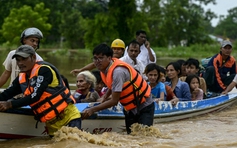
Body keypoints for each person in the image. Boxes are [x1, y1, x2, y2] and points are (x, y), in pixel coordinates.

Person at [0, 45, 81, 137]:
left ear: (33, 57)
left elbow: (35, 96)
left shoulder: (44, 70)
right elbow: (8, 93)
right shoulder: (21, 77)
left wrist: (9, 104)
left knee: (73, 143)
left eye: (24, 59)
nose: (20, 63)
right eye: (18, 60)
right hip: (51, 124)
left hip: (68, 117)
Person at [82, 43, 154, 134]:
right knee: (132, 136)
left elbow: (114, 101)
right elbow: (112, 85)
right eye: (95, 58)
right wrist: (104, 97)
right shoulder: (104, 69)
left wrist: (92, 110)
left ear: (109, 58)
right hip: (129, 107)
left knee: (144, 135)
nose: (97, 61)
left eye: (101, 58)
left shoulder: (118, 72)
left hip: (144, 104)